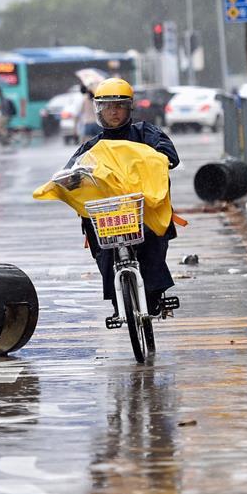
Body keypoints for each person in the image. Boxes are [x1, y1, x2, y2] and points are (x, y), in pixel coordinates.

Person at [65, 78, 179, 327]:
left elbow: (169, 154)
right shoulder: (92, 146)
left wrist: (158, 158)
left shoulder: (145, 133)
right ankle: (119, 301)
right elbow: (70, 172)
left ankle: (155, 293)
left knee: (153, 245)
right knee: (103, 250)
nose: (113, 111)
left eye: (119, 105)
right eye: (108, 106)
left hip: (143, 213)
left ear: (129, 108)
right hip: (109, 219)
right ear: (99, 110)